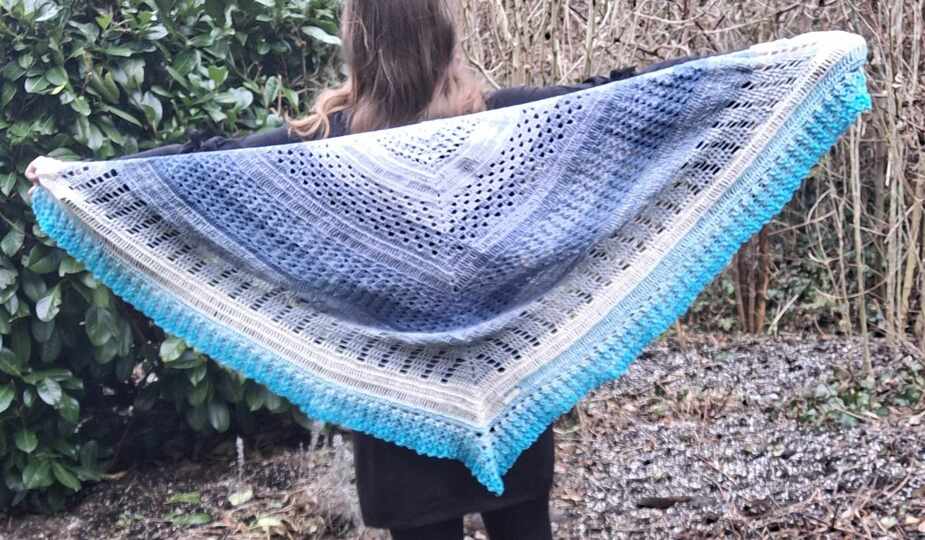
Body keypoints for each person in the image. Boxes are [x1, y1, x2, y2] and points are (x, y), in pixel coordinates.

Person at [27, 1, 699, 538]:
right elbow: (627, 103)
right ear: (443, 39)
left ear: (358, 45)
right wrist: (752, 70)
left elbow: (199, 168)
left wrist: (81, 178)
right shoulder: (510, 122)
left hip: (400, 397)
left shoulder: (321, 147)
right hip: (503, 386)